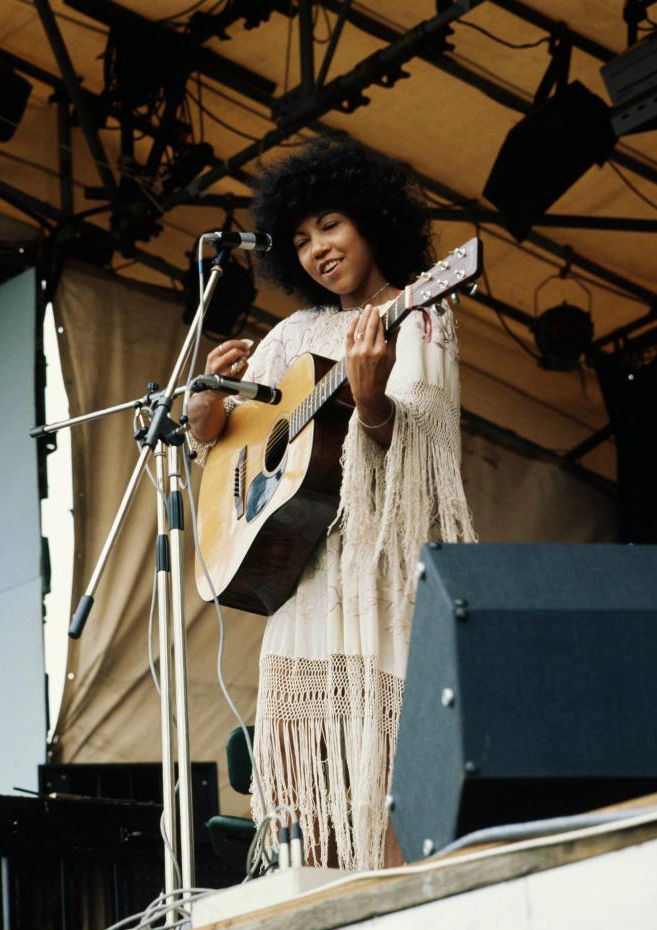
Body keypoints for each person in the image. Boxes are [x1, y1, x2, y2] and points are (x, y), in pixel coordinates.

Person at [187, 136, 475, 871]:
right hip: (304, 588)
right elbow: (224, 443)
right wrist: (206, 402)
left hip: (378, 584)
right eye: (301, 239)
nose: (317, 249)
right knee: (306, 810)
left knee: (386, 790)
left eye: (330, 225)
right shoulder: (293, 334)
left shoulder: (421, 316)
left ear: (372, 221)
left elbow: (420, 452)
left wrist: (372, 399)